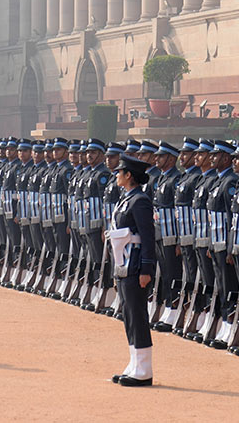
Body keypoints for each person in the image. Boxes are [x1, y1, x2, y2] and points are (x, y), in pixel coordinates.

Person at [108, 154, 157, 387]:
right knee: (128, 315)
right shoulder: (126, 199)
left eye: (120, 172)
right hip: (124, 264)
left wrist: (147, 269)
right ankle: (134, 363)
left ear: (129, 175)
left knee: (138, 316)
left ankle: (144, 369)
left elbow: (148, 237)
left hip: (136, 265)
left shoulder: (140, 201)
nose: (117, 175)